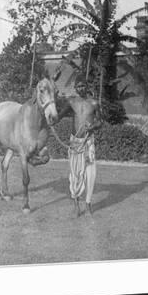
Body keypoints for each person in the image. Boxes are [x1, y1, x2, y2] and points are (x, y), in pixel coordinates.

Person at [56, 80, 102, 215]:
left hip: (88, 143)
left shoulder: (94, 103)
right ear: (75, 87)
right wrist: (51, 119)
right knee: (75, 175)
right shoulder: (71, 102)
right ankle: (76, 204)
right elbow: (59, 116)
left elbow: (101, 121)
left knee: (91, 173)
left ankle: (88, 203)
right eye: (78, 86)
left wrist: (93, 126)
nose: (81, 88)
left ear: (87, 86)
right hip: (75, 143)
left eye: (83, 85)